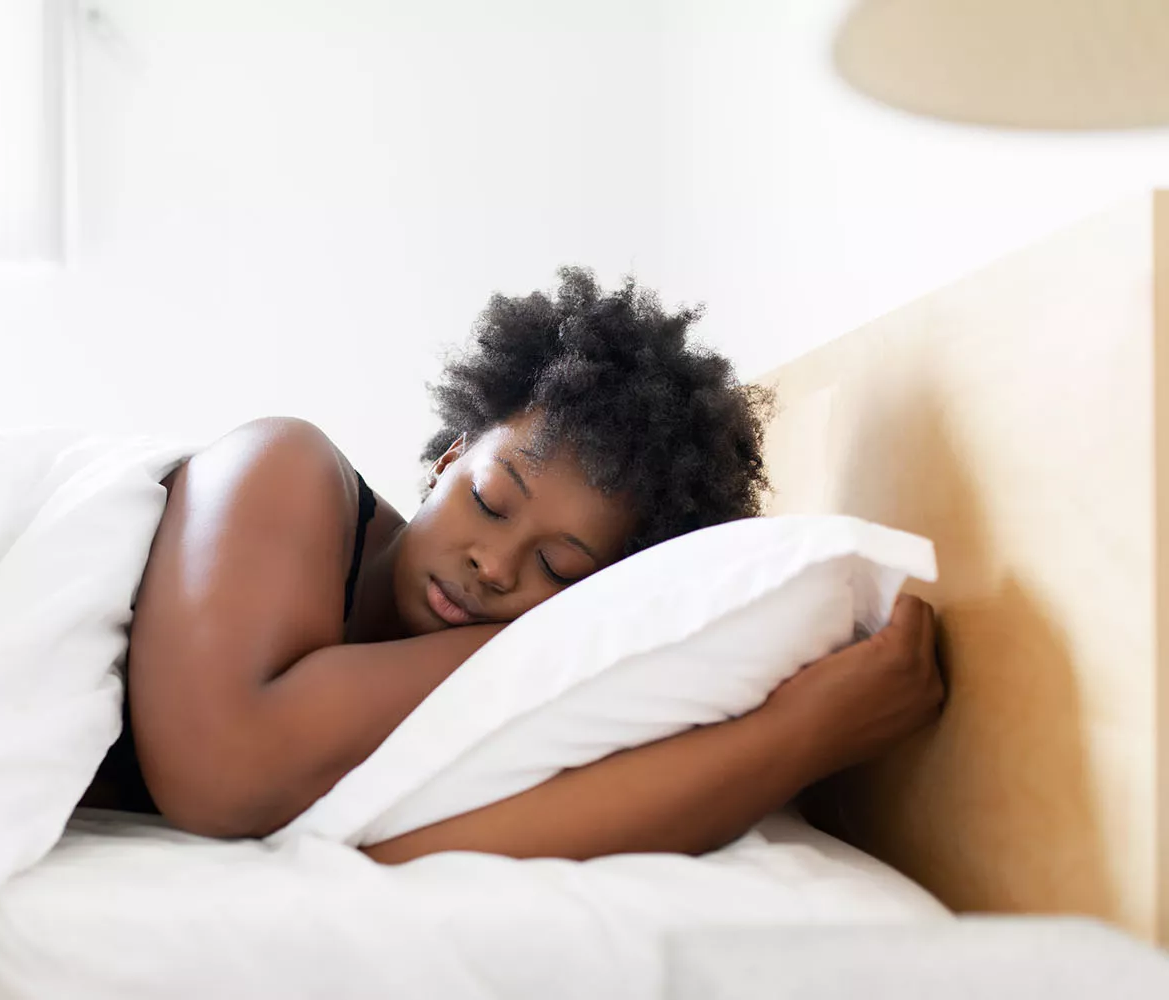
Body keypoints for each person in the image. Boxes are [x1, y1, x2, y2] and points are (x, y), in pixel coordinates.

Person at [79, 267, 944, 863]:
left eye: (562, 569)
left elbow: (406, 848)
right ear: (449, 457)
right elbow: (223, 777)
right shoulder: (287, 470)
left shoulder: (481, 701)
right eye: (491, 500)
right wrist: (563, 621)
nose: (494, 564)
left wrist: (795, 737)